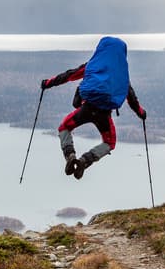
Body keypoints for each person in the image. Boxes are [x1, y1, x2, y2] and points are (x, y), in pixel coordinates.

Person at [41, 36, 146, 179]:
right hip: (104, 114)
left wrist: (48, 83)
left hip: (86, 108)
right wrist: (141, 113)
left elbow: (68, 76)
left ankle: (70, 156)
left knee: (64, 127)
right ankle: (85, 160)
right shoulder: (121, 77)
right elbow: (132, 100)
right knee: (109, 142)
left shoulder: (92, 65)